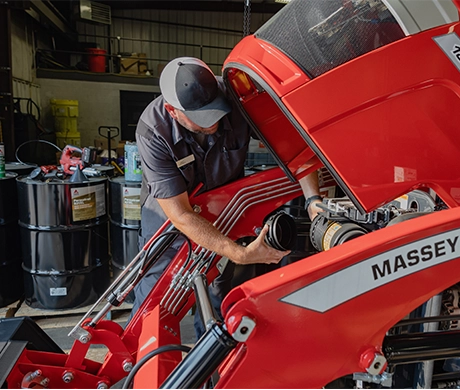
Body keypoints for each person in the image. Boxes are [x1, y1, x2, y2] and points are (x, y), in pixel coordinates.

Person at [132, 57, 321, 335]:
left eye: (216, 113)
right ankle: (143, 367)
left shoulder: (236, 100)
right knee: (155, 304)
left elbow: (296, 145)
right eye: (202, 119)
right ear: (174, 111)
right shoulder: (153, 131)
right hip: (170, 222)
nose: (214, 124)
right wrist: (240, 253)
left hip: (226, 215)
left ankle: (212, 369)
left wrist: (312, 200)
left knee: (220, 300)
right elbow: (181, 214)